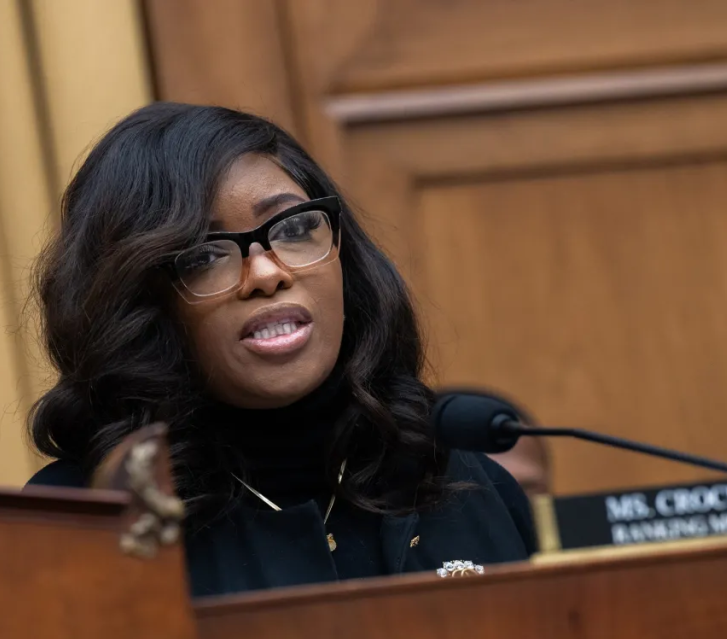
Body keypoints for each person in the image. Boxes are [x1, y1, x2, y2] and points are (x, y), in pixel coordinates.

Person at [26, 102, 535, 597]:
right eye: (204, 254)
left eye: (293, 228)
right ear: (139, 303)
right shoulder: (80, 524)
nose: (268, 273)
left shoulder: (460, 480)